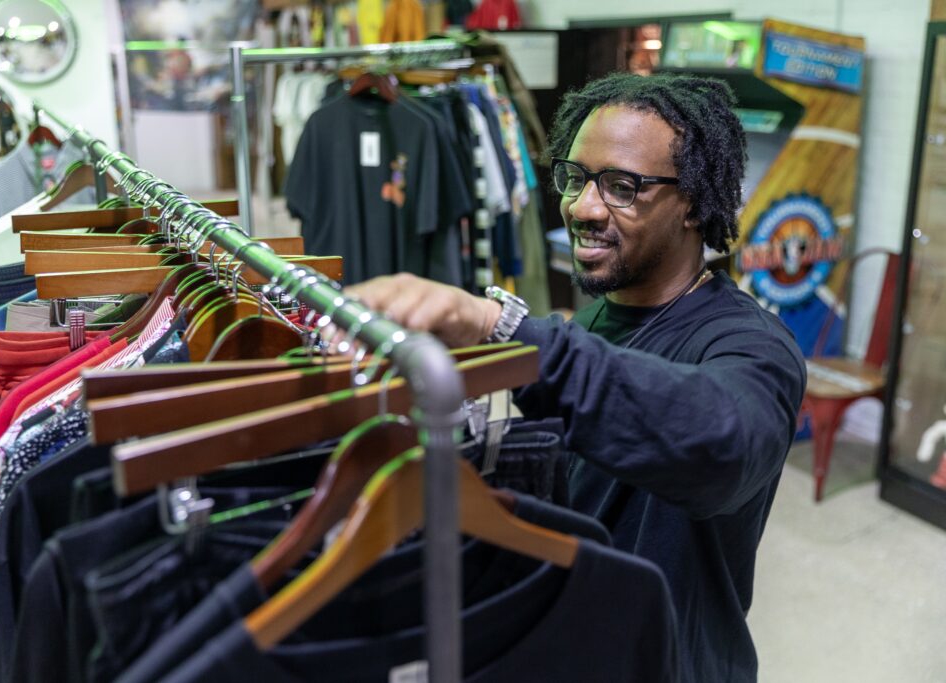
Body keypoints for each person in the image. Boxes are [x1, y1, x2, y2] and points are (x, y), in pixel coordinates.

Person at [345, 72, 807, 682]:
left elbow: (723, 445)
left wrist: (501, 329)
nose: (583, 208)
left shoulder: (750, 343)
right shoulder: (591, 319)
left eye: (622, 187)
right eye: (576, 178)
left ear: (694, 200)